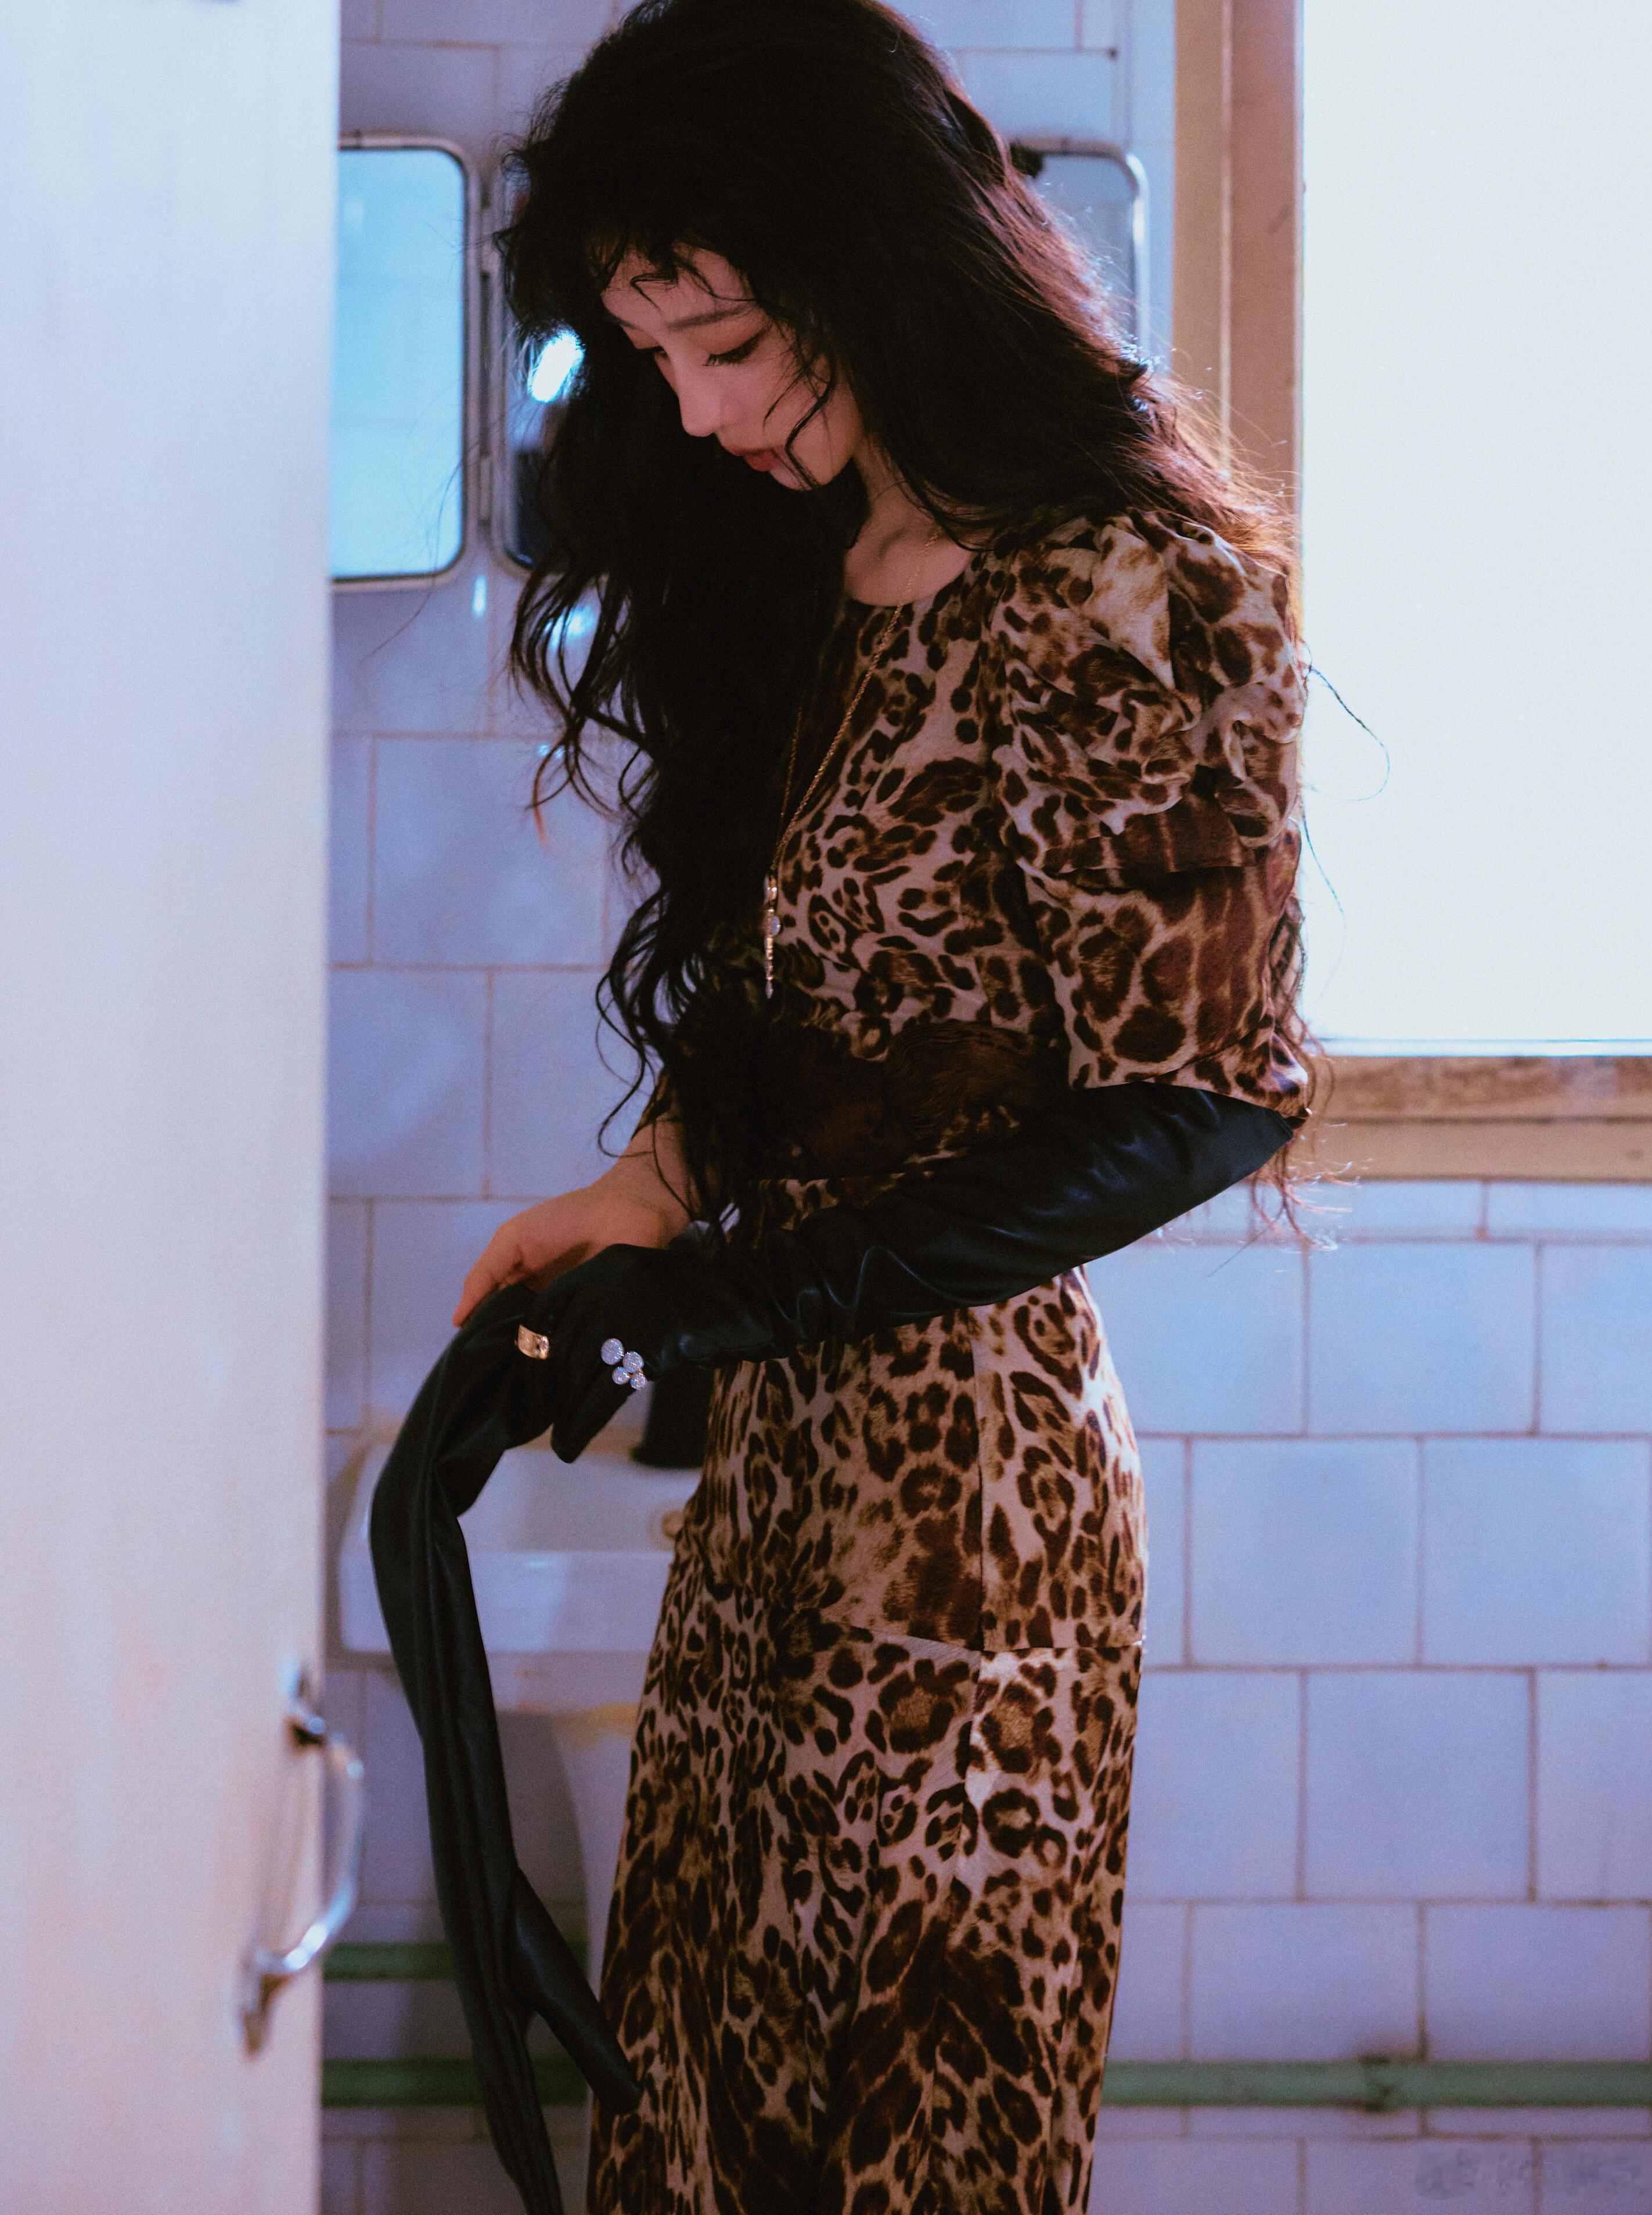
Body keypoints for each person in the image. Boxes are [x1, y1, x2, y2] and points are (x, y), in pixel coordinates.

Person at [454, 1, 1311, 2206]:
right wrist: (652, 1191)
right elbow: (843, 1023)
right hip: (782, 1491)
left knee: (919, 2131)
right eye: (653, 358)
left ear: (877, 264)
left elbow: (1202, 1101)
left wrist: (742, 1299)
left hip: (977, 1520)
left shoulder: (1122, 580)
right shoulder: (825, 577)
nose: (699, 408)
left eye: (729, 341)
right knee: (700, 2104)